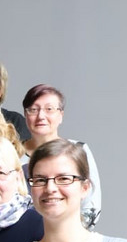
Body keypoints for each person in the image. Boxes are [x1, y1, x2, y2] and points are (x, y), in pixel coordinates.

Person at [21, 84, 101, 227]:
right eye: (33, 110)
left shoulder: (78, 150)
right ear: (26, 115)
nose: (41, 116)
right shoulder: (11, 153)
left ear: (61, 115)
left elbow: (91, 205)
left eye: (49, 109)